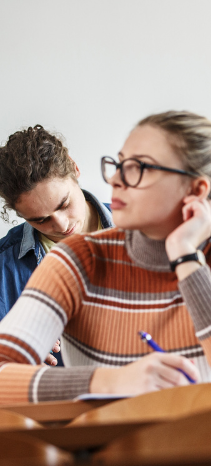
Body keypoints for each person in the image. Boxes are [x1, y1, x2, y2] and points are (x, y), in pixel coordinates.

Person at [0, 111, 211, 403]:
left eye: (140, 168)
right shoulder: (74, 259)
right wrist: (112, 381)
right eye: (120, 164)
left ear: (196, 188)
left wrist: (186, 259)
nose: (117, 179)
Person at [0, 126, 114, 365]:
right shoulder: (4, 267)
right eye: (40, 220)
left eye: (64, 204)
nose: (61, 225)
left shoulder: (146, 229)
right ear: (19, 214)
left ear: (74, 168)